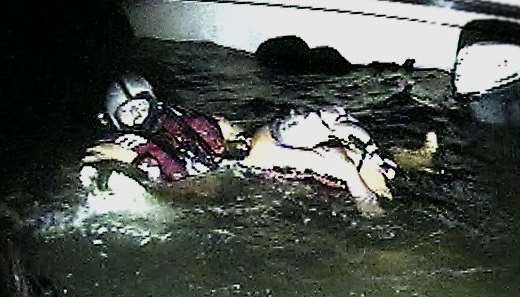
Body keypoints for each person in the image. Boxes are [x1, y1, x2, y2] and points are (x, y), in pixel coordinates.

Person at [82, 74, 397, 216]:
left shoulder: (190, 121)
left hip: (236, 171)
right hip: (205, 189)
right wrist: (113, 168)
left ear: (154, 101)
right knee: (331, 164)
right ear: (115, 119)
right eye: (129, 112)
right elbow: (94, 163)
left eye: (142, 106)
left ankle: (407, 161)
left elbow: (234, 135)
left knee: (343, 158)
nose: (138, 115)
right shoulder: (118, 145)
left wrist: (239, 139)